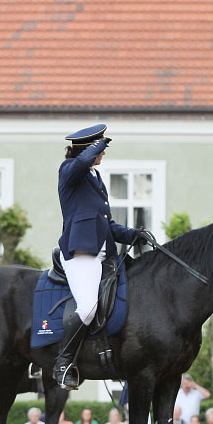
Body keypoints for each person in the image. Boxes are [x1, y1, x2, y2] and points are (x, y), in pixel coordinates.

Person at [51, 124, 151, 389]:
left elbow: (107, 224)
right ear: (88, 148)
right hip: (80, 253)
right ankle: (63, 362)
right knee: (87, 307)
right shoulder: (69, 171)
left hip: (105, 254)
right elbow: (81, 161)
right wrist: (98, 143)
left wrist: (133, 235)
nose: (102, 155)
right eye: (100, 150)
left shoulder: (95, 179)